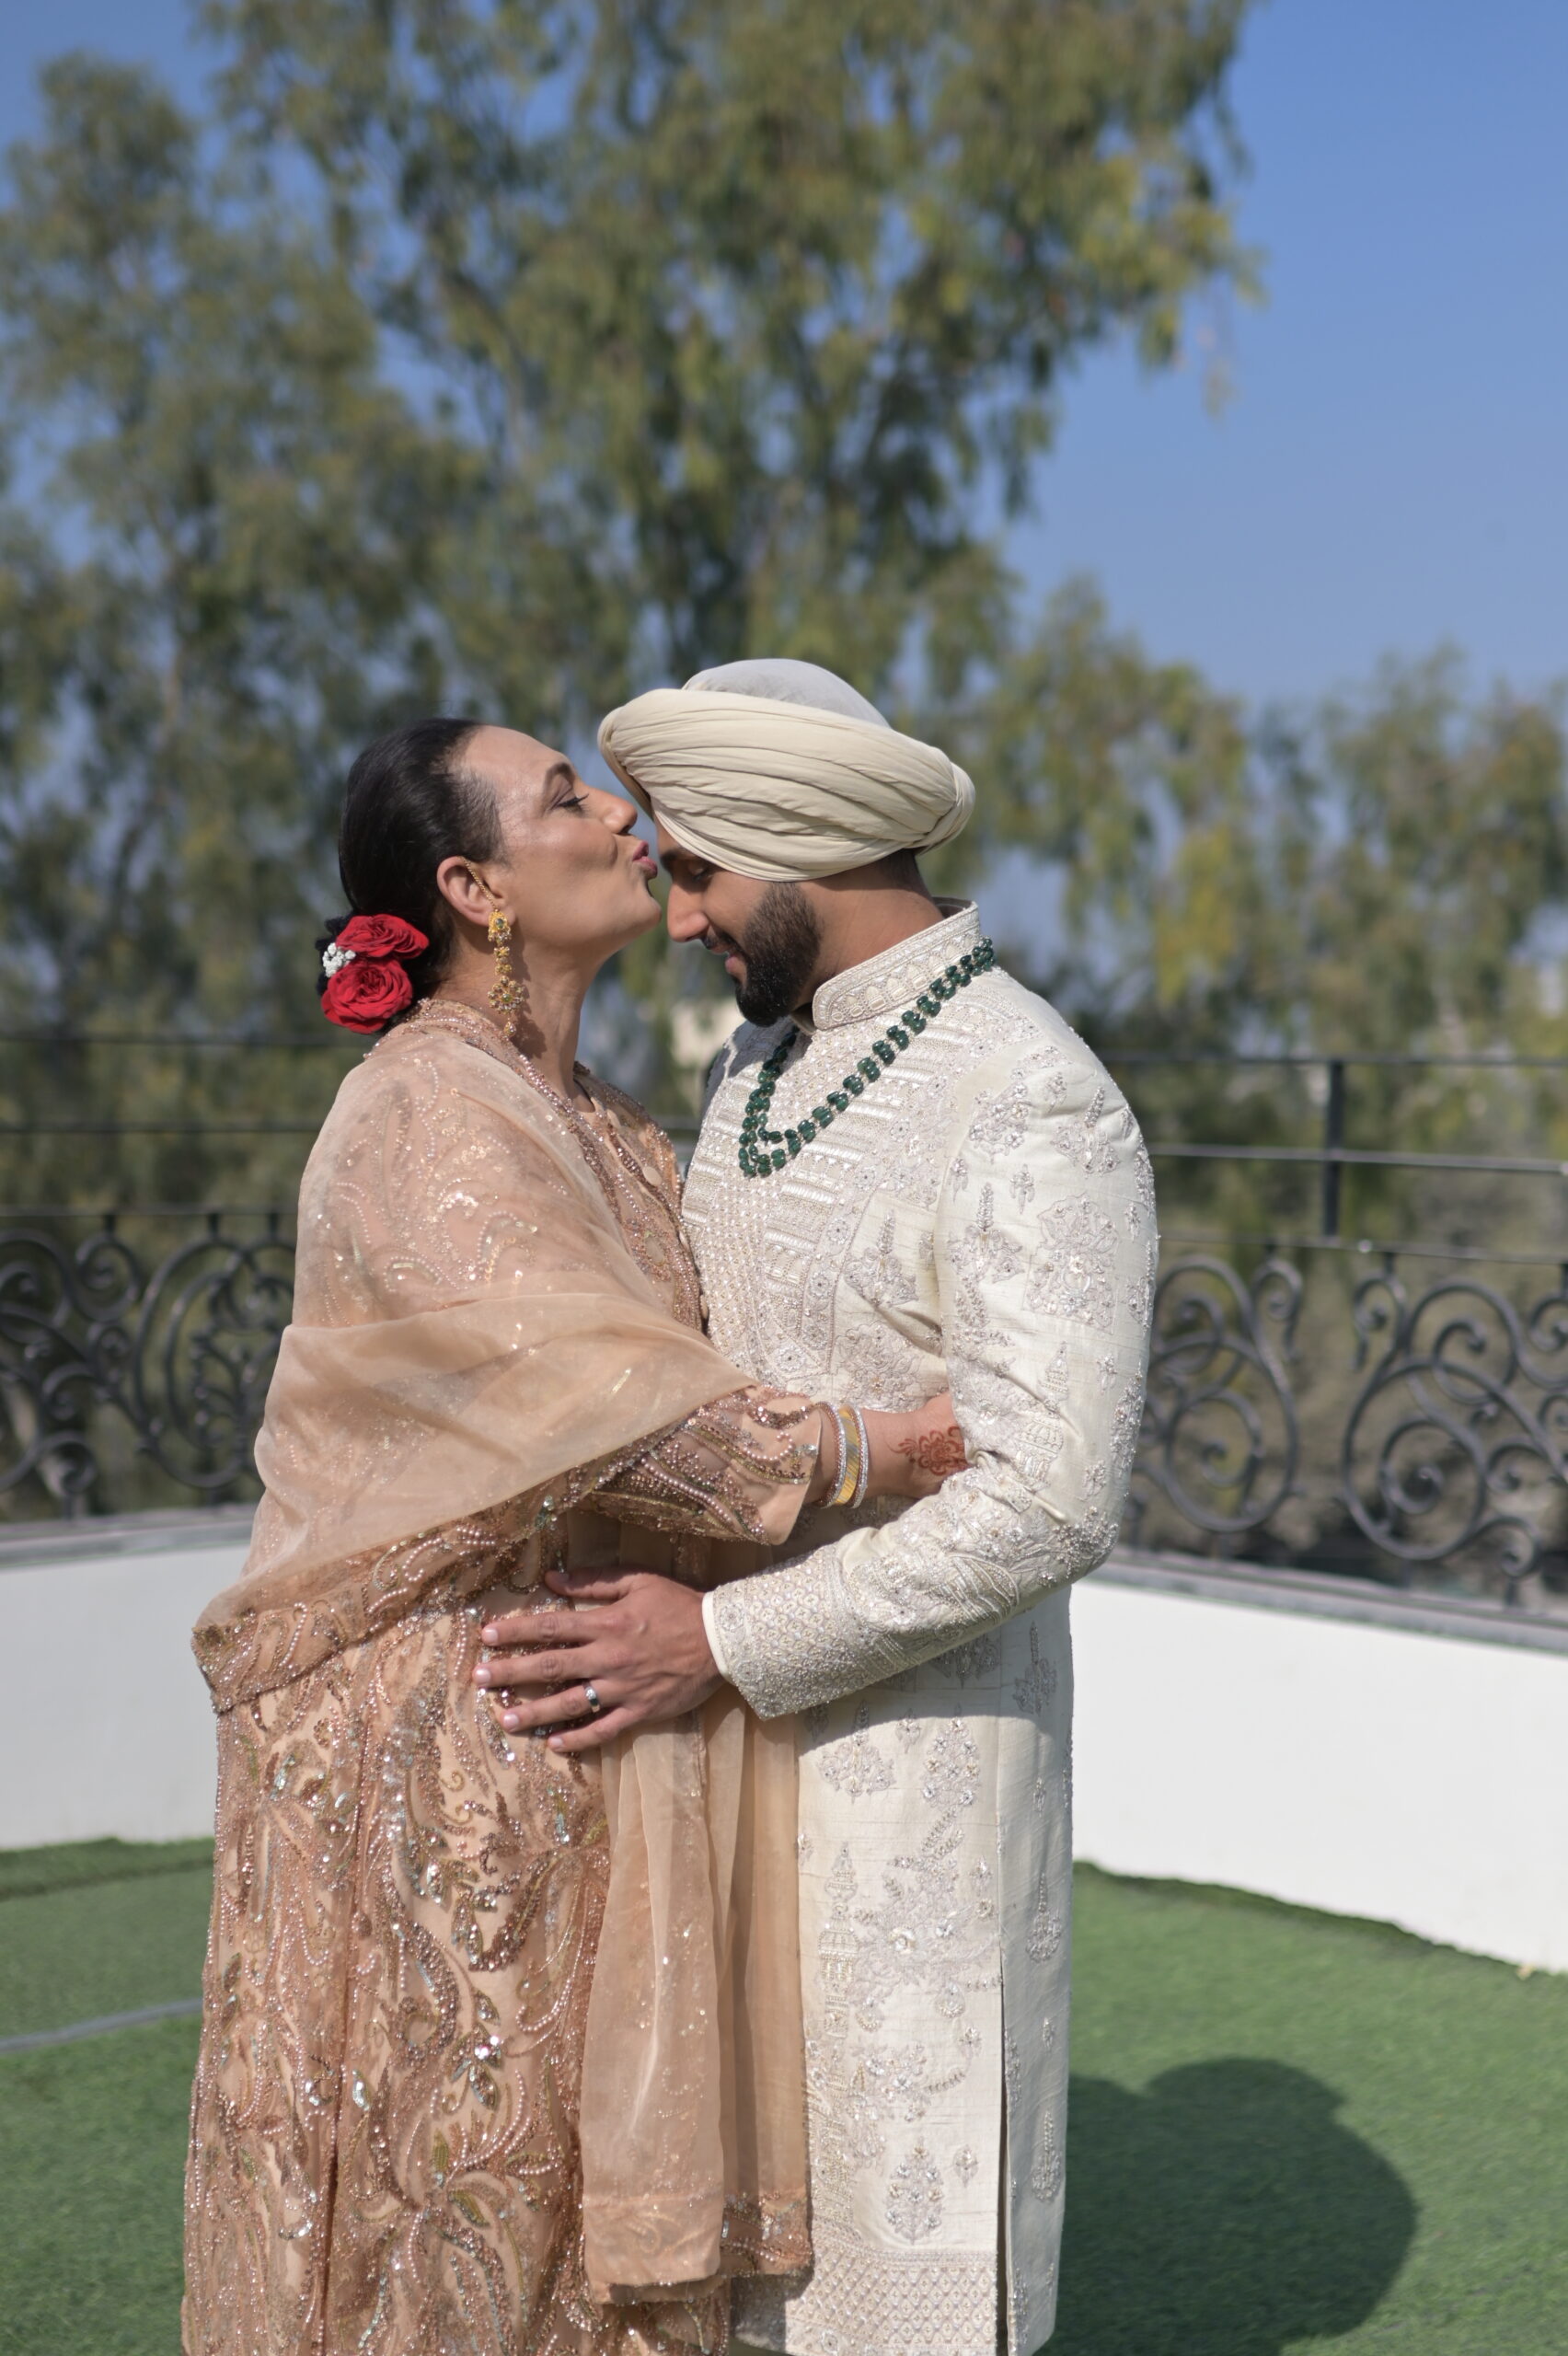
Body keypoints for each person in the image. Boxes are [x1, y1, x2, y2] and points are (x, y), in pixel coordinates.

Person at [181, 716, 963, 2356]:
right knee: (455, 2181)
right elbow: (610, 1410)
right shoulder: (426, 1112)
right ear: (474, 889)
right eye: (564, 796)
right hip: (440, 1726)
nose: (620, 816)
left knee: (553, 2191)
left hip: (574, 1705)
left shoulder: (603, 1121)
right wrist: (889, 1447)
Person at [478, 663, 1157, 2356]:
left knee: (896, 2283)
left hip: (912, 1788)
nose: (679, 913)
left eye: (702, 872)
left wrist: (718, 1639)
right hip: (711, 1782)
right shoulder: (762, 1066)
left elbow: (1052, 1499)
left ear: (804, 849)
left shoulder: (1028, 1092)